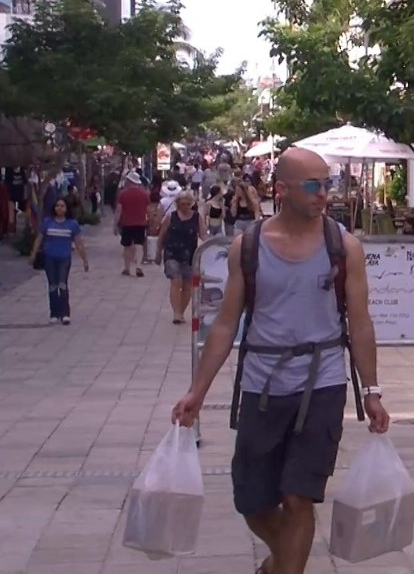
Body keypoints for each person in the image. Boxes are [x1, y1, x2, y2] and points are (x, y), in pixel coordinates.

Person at [172, 147, 390, 574]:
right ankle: (280, 564)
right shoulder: (248, 247)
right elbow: (224, 324)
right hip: (262, 385)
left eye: (327, 184)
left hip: (322, 381)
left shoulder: (343, 247)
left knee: (298, 496)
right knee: (252, 501)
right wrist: (197, 391)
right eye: (314, 185)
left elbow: (361, 323)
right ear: (283, 189)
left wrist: (373, 392)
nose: (324, 194)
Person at [29, 197, 89, 324]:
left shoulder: (72, 224)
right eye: (57, 206)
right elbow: (39, 239)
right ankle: (54, 312)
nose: (59, 208)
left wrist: (84, 260)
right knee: (52, 285)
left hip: (64, 258)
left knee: (62, 284)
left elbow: (79, 243)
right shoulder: (47, 222)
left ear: (66, 208)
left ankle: (65, 313)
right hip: (49, 257)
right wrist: (33, 253)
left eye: (62, 206)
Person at [158, 190, 203, 325]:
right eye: (182, 204)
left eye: (188, 204)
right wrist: (157, 253)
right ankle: (176, 313)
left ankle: (181, 311)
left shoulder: (196, 217)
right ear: (177, 204)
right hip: (172, 253)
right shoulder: (171, 217)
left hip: (190, 254)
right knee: (176, 281)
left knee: (188, 284)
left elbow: (203, 233)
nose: (185, 207)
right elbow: (162, 235)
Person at [116, 171, 150, 277]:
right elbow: (148, 210)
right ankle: (138, 265)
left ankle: (127, 268)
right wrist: (150, 222)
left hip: (126, 223)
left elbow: (118, 210)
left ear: (129, 181)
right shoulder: (144, 194)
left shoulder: (123, 194)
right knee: (139, 245)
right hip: (140, 223)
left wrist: (115, 224)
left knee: (127, 246)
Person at [144, 191, 164, 265]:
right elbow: (159, 217)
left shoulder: (148, 207)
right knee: (157, 241)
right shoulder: (159, 207)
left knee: (146, 241)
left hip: (148, 225)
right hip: (157, 225)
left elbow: (149, 217)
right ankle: (155, 255)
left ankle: (146, 256)